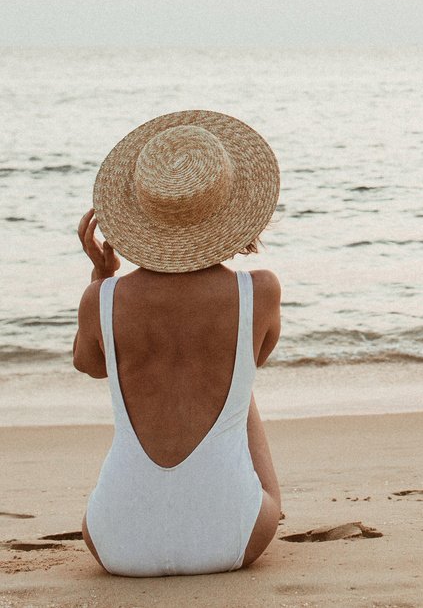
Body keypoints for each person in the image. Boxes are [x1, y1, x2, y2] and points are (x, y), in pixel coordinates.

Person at [72, 110, 283, 577]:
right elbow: (256, 358)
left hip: (115, 543)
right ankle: (231, 499)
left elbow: (90, 365)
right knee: (238, 385)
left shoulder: (101, 298)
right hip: (234, 533)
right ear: (231, 211)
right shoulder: (260, 290)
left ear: (141, 213)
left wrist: (102, 281)